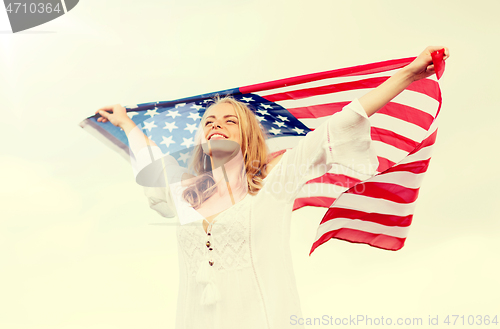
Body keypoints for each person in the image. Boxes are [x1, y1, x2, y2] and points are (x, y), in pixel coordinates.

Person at [96, 46, 450, 329]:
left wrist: (405, 75)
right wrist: (126, 122)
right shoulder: (188, 194)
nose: (216, 126)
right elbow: (154, 164)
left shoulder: (274, 183)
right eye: (209, 122)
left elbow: (339, 124)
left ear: (246, 135)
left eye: (229, 120)